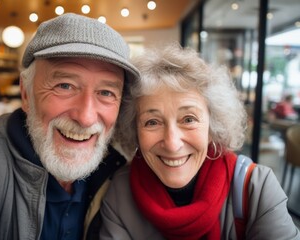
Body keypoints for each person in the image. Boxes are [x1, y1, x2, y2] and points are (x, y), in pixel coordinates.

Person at [0, 13, 139, 239]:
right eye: (65, 85)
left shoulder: (119, 174)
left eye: (106, 92)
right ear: (26, 94)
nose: (85, 118)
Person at [100, 44, 300, 239]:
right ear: (135, 131)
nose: (172, 143)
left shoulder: (256, 187)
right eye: (152, 122)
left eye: (188, 119)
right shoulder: (120, 192)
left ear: (212, 127)